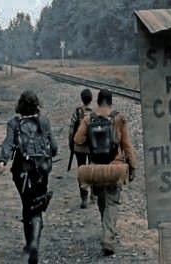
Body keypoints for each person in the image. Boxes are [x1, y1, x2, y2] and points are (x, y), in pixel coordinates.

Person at [0, 91, 58, 264]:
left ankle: (29, 242)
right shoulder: (44, 122)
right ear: (37, 104)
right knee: (37, 208)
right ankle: (34, 243)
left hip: (21, 173)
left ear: (20, 105)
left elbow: (8, 143)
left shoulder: (14, 123)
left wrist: (2, 161)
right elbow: (54, 148)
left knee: (27, 205)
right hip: (42, 171)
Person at [74, 89, 137, 256]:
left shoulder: (89, 118)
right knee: (112, 203)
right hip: (114, 168)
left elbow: (77, 140)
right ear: (111, 101)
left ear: (98, 101)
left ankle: (107, 231)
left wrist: (90, 140)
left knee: (102, 201)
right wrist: (132, 166)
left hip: (96, 168)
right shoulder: (118, 118)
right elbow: (127, 146)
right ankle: (108, 237)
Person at [69, 88, 94, 209]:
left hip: (79, 147)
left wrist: (71, 145)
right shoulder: (95, 112)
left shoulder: (77, 111)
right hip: (94, 148)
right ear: (91, 99)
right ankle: (94, 194)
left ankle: (84, 198)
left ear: (81, 99)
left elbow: (71, 130)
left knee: (82, 171)